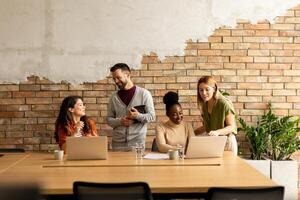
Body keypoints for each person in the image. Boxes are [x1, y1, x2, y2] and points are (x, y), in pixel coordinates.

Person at [107, 63, 156, 151]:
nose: (116, 81)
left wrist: (137, 116)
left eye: (118, 77)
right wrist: (120, 121)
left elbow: (152, 117)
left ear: (128, 75)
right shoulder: (113, 97)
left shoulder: (144, 94)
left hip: (137, 145)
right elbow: (109, 120)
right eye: (114, 79)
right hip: (117, 145)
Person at [195, 76, 238, 155]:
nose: (203, 93)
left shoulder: (224, 103)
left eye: (207, 89)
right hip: (215, 143)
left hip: (227, 143)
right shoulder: (205, 105)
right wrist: (192, 133)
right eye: (201, 90)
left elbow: (231, 127)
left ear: (214, 89)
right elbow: (207, 126)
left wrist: (217, 132)